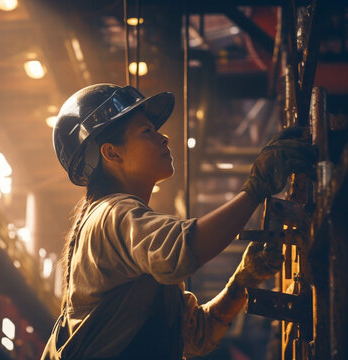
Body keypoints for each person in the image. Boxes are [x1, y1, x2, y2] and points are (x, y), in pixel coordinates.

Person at [41, 84, 316, 360]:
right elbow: (186, 247)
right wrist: (256, 189)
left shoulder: (124, 233)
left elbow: (197, 335)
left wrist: (243, 280)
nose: (164, 138)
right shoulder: (111, 214)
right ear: (112, 153)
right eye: (147, 132)